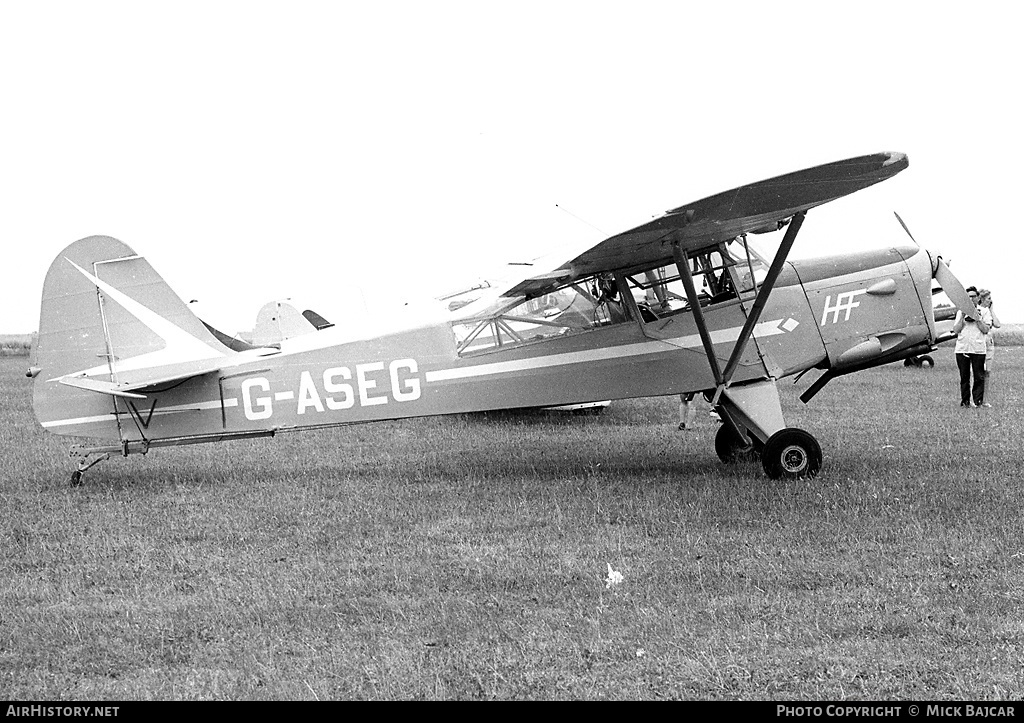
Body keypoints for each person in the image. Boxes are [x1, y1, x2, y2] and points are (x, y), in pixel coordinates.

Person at [951, 286, 991, 408]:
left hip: (978, 348)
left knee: (979, 376)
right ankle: (965, 402)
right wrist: (963, 316)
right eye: (968, 296)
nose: (971, 298)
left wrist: (978, 319)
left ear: (978, 298)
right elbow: (956, 330)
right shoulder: (960, 312)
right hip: (962, 348)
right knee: (964, 377)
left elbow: (985, 330)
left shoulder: (984, 311)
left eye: (973, 296)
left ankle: (978, 402)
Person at [977, 289, 1001, 404]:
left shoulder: (988, 311)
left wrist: (991, 310)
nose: (990, 301)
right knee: (978, 371)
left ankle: (985, 400)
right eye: (988, 299)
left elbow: (997, 324)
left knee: (987, 372)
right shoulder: (978, 310)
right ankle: (977, 398)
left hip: (989, 343)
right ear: (982, 299)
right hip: (980, 341)